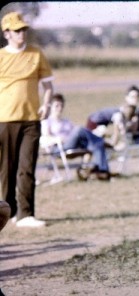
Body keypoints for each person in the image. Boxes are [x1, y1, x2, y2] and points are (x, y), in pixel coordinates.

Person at [0, 12, 54, 228]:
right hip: (5, 120)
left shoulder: (36, 54)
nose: (22, 33)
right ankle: (8, 211)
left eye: (24, 30)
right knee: (7, 168)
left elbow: (48, 85)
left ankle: (26, 214)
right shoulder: (1, 56)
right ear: (6, 33)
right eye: (17, 30)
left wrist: (47, 103)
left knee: (27, 166)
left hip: (31, 119)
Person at [41, 94, 112, 181]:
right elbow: (45, 138)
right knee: (79, 129)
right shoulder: (47, 121)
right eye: (57, 106)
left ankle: (102, 171)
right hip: (59, 147)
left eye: (61, 106)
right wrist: (58, 139)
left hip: (74, 144)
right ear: (50, 107)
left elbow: (76, 135)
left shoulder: (66, 121)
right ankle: (103, 141)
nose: (60, 108)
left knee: (96, 145)